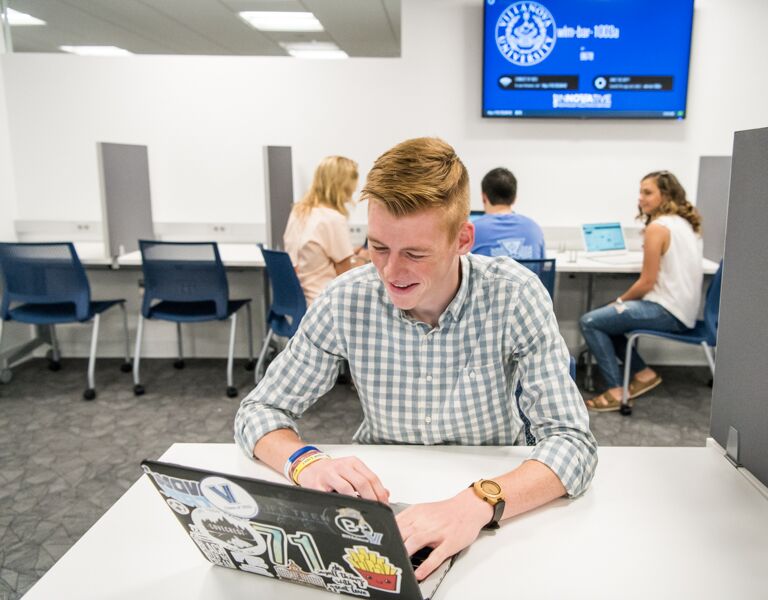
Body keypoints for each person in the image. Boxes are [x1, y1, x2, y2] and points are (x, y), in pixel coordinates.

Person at [235, 137, 597, 582]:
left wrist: (477, 503)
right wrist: (308, 462)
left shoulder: (513, 295)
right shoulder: (347, 298)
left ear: (463, 239)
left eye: (415, 254)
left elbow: (573, 443)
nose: (389, 272)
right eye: (379, 247)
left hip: (496, 493)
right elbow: (258, 411)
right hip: (384, 497)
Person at [579, 171, 704, 412]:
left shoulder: (657, 227)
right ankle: (644, 373)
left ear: (665, 195)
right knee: (609, 319)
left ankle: (616, 390)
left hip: (666, 310)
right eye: (640, 192)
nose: (641, 198)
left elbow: (647, 283)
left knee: (592, 321)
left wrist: (617, 301)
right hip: (683, 310)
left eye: (647, 192)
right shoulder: (684, 224)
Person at [283, 155, 368, 305]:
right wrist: (365, 259)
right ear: (342, 186)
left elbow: (312, 256)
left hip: (296, 302)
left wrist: (351, 254)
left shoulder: (299, 211)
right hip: (321, 303)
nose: (352, 193)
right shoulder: (332, 218)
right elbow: (346, 276)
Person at [471, 167, 545, 259]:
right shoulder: (534, 229)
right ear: (514, 198)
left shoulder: (472, 231)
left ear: (484, 197)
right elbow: (542, 270)